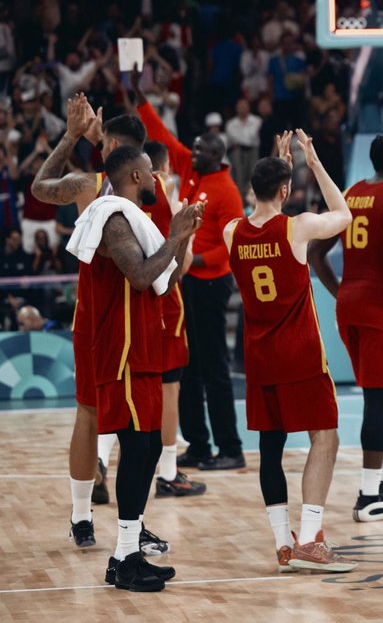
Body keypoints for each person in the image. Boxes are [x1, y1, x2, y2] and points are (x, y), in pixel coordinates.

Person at [65, 144, 200, 591]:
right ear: (137, 176)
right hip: (122, 352)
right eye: (152, 172)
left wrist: (184, 237)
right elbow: (141, 275)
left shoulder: (127, 218)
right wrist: (176, 235)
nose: (157, 177)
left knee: (144, 450)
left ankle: (125, 554)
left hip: (141, 349)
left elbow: (166, 279)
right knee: (139, 448)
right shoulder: (113, 218)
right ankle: (124, 559)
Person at [225, 130, 355, 572]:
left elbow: (258, 207)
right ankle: (312, 539)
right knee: (325, 436)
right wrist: (313, 163)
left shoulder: (230, 233)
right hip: (299, 353)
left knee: (269, 449)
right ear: (285, 190)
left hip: (259, 357)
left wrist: (276, 166)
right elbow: (344, 213)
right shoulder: (298, 227)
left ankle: (284, 544)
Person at [30, 94, 143, 541]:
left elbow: (39, 187)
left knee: (88, 414)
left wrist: (73, 135)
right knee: (137, 424)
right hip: (135, 318)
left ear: (108, 143)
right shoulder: (154, 188)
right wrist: (96, 137)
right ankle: (132, 525)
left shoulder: (87, 186)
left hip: (95, 318)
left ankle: (82, 517)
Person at [133, 69, 246, 471]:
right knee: (191, 367)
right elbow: (163, 137)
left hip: (211, 285)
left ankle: (230, 448)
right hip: (188, 283)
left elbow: (231, 249)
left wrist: (190, 257)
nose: (191, 155)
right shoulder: (196, 172)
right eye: (194, 150)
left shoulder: (227, 192)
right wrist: (139, 95)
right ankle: (198, 444)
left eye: (199, 152)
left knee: (214, 369)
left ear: (218, 156)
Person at [308, 133, 383, 523]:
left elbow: (315, 253)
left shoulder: (350, 193)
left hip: (350, 308)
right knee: (378, 402)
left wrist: (341, 292)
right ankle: (368, 495)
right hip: (381, 312)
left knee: (374, 395)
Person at [140, 142, 207, 497]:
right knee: (169, 390)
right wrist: (189, 231)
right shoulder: (165, 199)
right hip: (164, 302)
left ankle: (102, 462)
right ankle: (167, 472)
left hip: (131, 303)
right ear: (162, 168)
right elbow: (178, 267)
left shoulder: (114, 194)